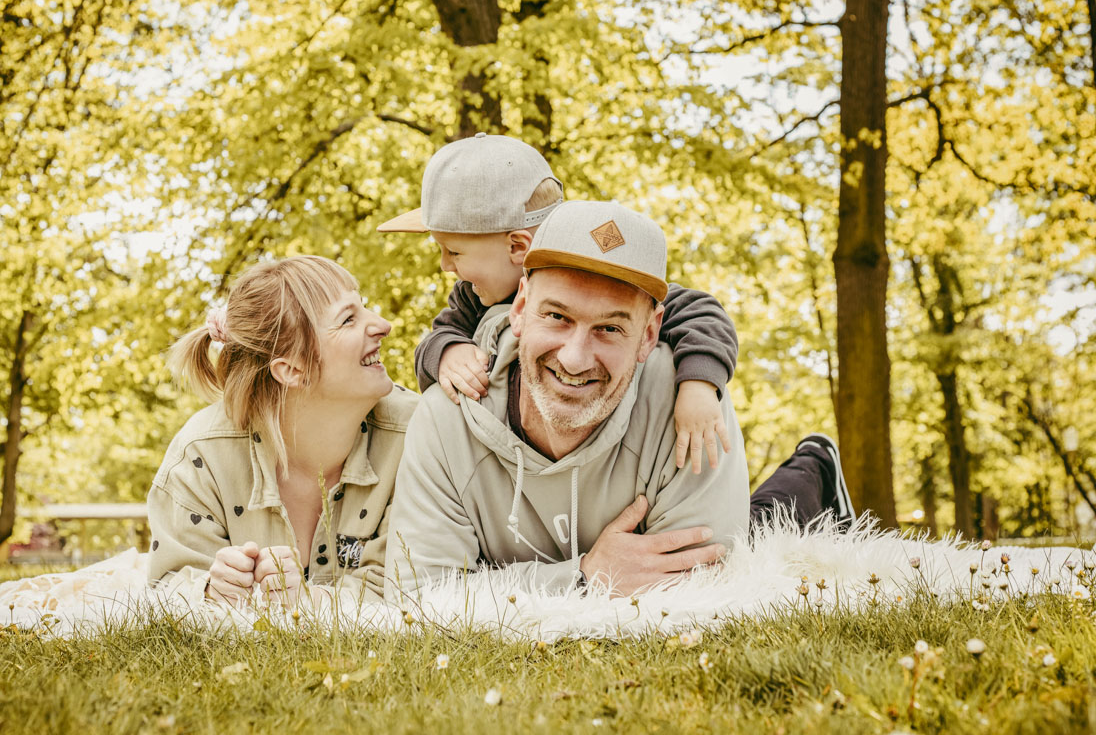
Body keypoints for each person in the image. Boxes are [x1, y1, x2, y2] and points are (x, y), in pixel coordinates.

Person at [384, 201, 854, 600]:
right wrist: (587, 577)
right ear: (522, 307)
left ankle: (814, 469)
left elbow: (702, 591)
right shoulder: (446, 417)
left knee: (762, 529)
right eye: (557, 316)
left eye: (609, 328)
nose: (574, 358)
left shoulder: (690, 405)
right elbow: (420, 599)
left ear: (649, 334)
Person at [378, 133, 738, 473]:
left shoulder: (599, 281)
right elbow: (437, 337)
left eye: (454, 251)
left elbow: (701, 312)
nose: (445, 264)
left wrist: (699, 387)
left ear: (518, 247)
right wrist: (447, 350)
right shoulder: (472, 297)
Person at [147, 256, 418, 606]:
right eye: (349, 319)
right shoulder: (202, 455)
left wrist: (312, 600)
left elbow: (414, 583)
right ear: (292, 369)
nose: (383, 324)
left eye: (364, 309)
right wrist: (211, 590)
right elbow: (166, 585)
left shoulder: (414, 437)